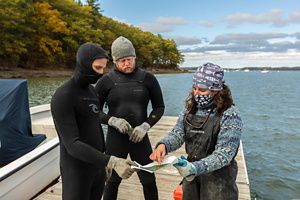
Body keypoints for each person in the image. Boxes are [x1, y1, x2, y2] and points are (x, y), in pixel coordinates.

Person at [51, 43, 136, 200]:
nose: (101, 73)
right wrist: (112, 161)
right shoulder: (63, 96)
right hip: (76, 171)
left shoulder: (91, 91)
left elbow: (95, 127)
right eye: (97, 68)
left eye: (104, 68)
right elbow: (72, 144)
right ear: (84, 64)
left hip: (97, 167)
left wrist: (104, 161)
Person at [150, 63, 243, 200]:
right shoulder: (189, 109)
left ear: (216, 90)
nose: (196, 93)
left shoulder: (230, 115)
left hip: (218, 181)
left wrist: (195, 168)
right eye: (194, 88)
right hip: (191, 177)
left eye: (202, 90)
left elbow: (224, 154)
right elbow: (178, 134)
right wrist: (164, 145)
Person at [95, 36, 165, 200]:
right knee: (112, 181)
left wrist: (145, 126)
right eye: (122, 60)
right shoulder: (106, 81)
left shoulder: (147, 78)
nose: (127, 63)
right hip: (115, 138)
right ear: (114, 61)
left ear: (135, 58)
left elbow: (159, 107)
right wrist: (112, 120)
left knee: (148, 180)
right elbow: (93, 111)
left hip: (139, 138)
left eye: (129, 59)